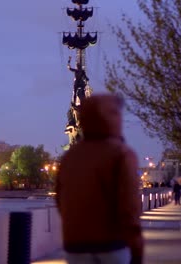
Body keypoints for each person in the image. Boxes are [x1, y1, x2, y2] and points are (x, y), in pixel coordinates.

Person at [55, 94, 143, 264]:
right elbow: (129, 207)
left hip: (76, 246)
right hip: (112, 245)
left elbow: (61, 200)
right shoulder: (121, 154)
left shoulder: (69, 157)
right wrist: (137, 249)